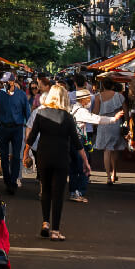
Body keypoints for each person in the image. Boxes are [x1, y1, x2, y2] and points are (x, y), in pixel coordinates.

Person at [22, 85, 82, 241]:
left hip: (43, 156)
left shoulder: (41, 114)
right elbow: (76, 142)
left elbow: (32, 136)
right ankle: (55, 231)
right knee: (58, 194)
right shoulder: (67, 117)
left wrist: (25, 153)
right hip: (61, 158)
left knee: (46, 189)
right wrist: (85, 161)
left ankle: (45, 222)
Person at [0, 75, 31, 195]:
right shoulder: (0, 94)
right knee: (3, 157)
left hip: (17, 129)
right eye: (3, 82)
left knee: (16, 156)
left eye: (7, 81)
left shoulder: (21, 95)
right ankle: (7, 181)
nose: (5, 84)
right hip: (3, 128)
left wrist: (28, 132)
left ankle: (13, 180)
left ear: (13, 82)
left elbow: (27, 113)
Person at [95, 79, 127, 185]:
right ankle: (114, 173)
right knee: (115, 149)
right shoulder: (119, 96)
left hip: (103, 123)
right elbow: (125, 111)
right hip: (116, 123)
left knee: (107, 150)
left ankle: (108, 177)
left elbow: (95, 112)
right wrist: (125, 123)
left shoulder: (98, 96)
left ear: (103, 86)